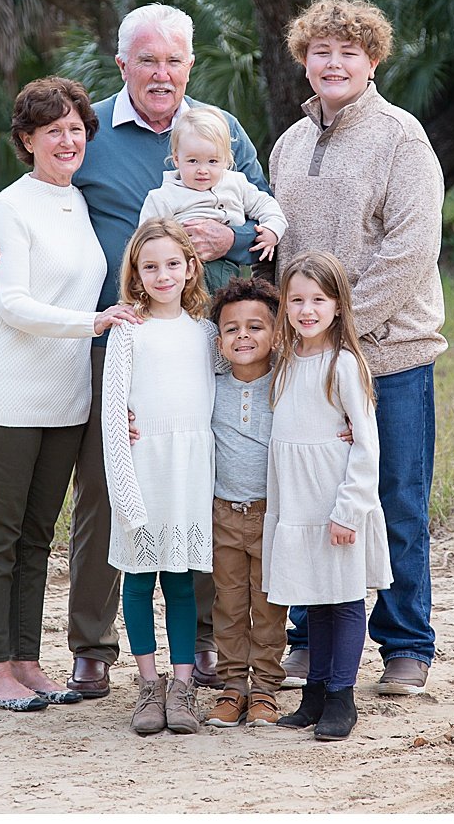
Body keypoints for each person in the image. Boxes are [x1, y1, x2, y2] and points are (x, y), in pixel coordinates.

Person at [0, 3, 269, 697]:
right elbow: (17, 219)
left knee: (203, 476)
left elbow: (264, 212)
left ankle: (206, 640)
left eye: (175, 61)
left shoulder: (222, 130)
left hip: (202, 339)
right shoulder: (86, 131)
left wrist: (236, 240)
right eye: (148, 60)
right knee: (104, 489)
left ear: (192, 65)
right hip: (109, 341)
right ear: (122, 64)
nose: (162, 73)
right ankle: (92, 645)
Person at [268, 0, 445, 697]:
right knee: (310, 495)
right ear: (304, 61)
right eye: (320, 51)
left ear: (372, 60)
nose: (332, 62)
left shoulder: (402, 138)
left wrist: (344, 329)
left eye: (348, 51)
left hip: (389, 356)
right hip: (306, 357)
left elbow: (410, 250)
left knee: (396, 497)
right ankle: (310, 637)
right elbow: (278, 245)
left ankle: (406, 643)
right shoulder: (287, 143)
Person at [0, 78, 143, 712]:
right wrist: (93, 323)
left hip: (64, 399)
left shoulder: (76, 202)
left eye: (76, 128)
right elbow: (10, 303)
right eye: (52, 129)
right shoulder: (11, 206)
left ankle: (26, 661)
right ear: (27, 139)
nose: (68, 140)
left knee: (37, 535)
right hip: (5, 394)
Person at [266, 251, 392, 741]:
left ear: (339, 305)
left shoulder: (343, 364)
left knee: (342, 599)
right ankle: (314, 692)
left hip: (337, 503)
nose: (307, 310)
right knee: (314, 600)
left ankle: (342, 695)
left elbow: (365, 444)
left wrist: (349, 509)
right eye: (295, 299)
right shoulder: (283, 363)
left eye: (319, 299)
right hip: (297, 503)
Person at [102, 219, 219, 736]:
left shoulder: (208, 332)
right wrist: (125, 495)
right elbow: (113, 412)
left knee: (181, 581)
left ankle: (182, 684)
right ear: (135, 273)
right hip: (143, 465)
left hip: (190, 470)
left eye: (173, 264)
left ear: (191, 267)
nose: (163, 274)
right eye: (150, 266)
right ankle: (147, 684)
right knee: (138, 578)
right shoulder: (130, 331)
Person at [201, 277, 289, 729]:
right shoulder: (211, 387)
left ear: (276, 335)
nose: (243, 337)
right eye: (232, 329)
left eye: (256, 327)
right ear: (219, 341)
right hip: (223, 515)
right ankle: (233, 685)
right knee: (229, 604)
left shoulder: (287, 385)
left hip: (271, 514)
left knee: (270, 606)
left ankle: (267, 690)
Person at [139, 107, 288, 293]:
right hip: (182, 278)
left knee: (227, 314)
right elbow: (143, 240)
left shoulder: (236, 183)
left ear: (226, 160)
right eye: (193, 161)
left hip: (229, 273)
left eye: (212, 161)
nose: (203, 170)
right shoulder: (163, 197)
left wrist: (272, 229)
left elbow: (266, 205)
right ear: (177, 159)